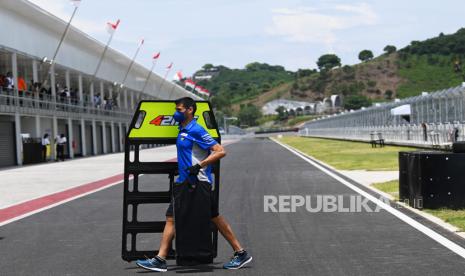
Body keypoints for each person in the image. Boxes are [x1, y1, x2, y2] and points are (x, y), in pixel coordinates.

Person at [136, 97, 252, 272]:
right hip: (186, 182)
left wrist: (198, 166)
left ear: (190, 110)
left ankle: (160, 259)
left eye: (180, 110)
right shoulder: (182, 128)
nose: (176, 113)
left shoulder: (196, 129)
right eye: (176, 109)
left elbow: (220, 151)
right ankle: (240, 252)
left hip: (197, 183)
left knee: (186, 217)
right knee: (193, 217)